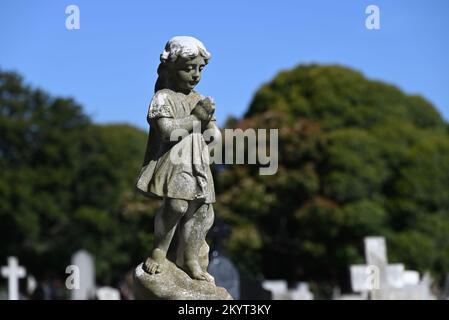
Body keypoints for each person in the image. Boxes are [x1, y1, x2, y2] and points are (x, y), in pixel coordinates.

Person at [136, 36, 221, 282]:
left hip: (199, 164)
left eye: (200, 69)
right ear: (172, 69)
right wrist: (197, 119)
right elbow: (168, 132)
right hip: (175, 163)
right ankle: (159, 251)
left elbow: (212, 132)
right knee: (177, 205)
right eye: (188, 68)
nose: (195, 74)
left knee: (201, 212)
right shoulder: (163, 97)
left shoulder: (199, 99)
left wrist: (211, 134)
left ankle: (191, 259)